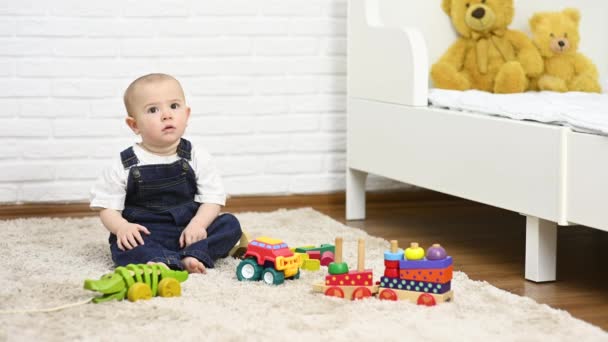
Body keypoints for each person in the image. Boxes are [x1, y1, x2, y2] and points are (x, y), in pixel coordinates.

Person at [90, 73, 243, 274]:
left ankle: (193, 254)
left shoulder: (197, 156)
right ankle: (156, 261)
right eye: (153, 110)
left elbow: (212, 199)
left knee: (230, 224)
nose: (166, 115)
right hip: (147, 232)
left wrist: (198, 224)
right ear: (134, 125)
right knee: (122, 244)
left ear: (186, 115)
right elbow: (107, 207)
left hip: (189, 229)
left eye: (174, 106)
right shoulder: (124, 164)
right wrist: (121, 227)